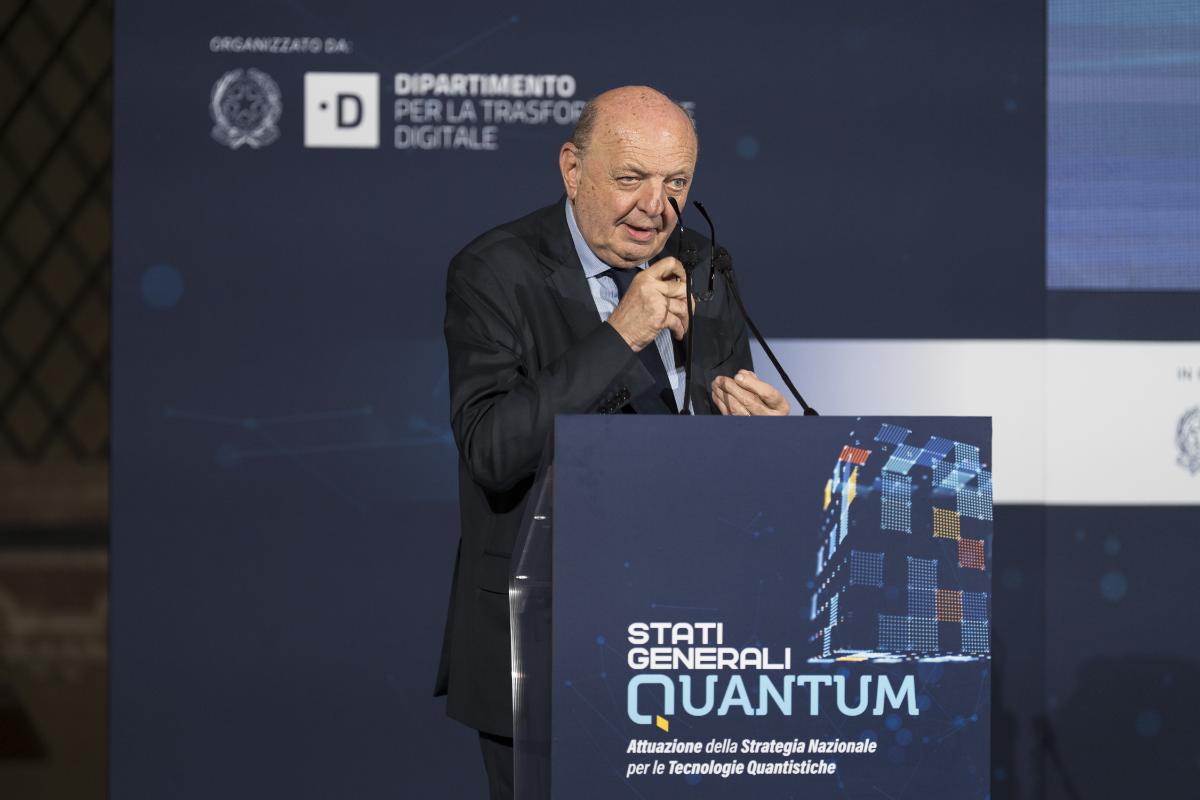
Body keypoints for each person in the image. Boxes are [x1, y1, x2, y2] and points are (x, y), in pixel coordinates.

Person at [435, 85, 791, 799]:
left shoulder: (705, 265)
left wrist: (759, 439)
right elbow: (493, 451)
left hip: (685, 646)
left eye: (676, 183)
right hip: (546, 642)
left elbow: (714, 460)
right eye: (631, 178)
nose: (656, 207)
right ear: (573, 170)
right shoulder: (495, 272)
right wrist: (621, 334)